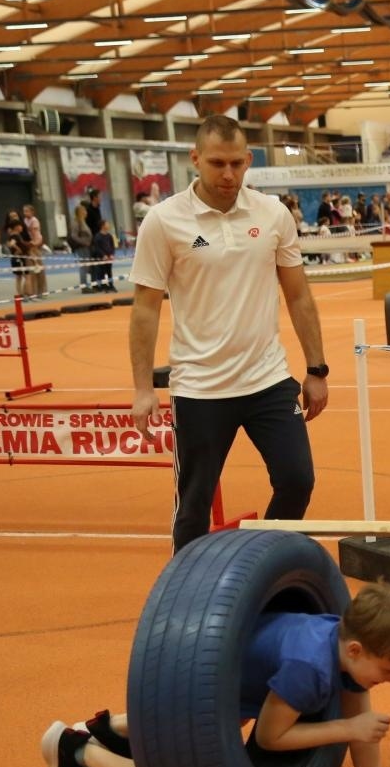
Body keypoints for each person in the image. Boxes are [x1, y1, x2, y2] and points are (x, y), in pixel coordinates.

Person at [40, 580, 390, 767]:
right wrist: (345, 729)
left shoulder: (338, 638)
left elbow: (364, 727)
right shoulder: (309, 668)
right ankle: (75, 749)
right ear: (357, 650)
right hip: (192, 685)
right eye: (389, 669)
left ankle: (112, 729)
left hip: (223, 679)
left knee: (245, 711)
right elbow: (270, 738)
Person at [127, 114, 326, 554]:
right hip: (200, 388)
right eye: (217, 163)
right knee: (193, 505)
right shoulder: (164, 221)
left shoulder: (272, 214)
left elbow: (298, 296)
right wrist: (143, 389)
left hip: (268, 380)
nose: (228, 174)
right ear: (195, 159)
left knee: (298, 480)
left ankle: (259, 561)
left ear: (249, 159)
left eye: (237, 163)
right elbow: (144, 309)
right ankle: (187, 593)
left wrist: (316, 369)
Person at [68, 202, 93, 292]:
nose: (86, 212)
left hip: (86, 247)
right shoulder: (76, 222)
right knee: (83, 266)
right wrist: (83, 242)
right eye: (84, 211)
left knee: (86, 266)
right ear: (81, 212)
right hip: (81, 247)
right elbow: (74, 236)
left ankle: (85, 284)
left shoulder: (83, 222)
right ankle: (84, 286)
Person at [90, 220, 117, 291]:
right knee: (102, 272)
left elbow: (112, 246)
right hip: (102, 258)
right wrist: (103, 255)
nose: (108, 225)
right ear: (102, 226)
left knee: (109, 272)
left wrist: (112, 254)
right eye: (107, 224)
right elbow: (97, 248)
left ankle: (111, 285)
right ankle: (104, 286)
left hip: (109, 258)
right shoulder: (97, 236)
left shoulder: (109, 236)